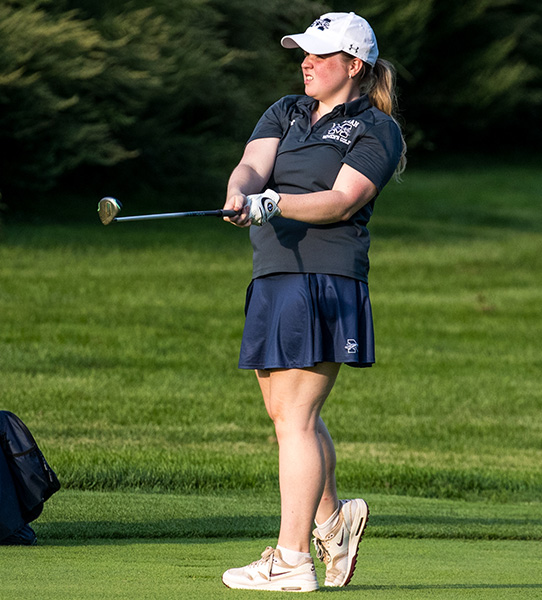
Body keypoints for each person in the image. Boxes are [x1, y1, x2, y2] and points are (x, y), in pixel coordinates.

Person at [220, 11, 406, 593]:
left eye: (320, 55)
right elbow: (253, 163)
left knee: (295, 419)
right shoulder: (287, 109)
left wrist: (272, 204)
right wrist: (240, 191)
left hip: (323, 277)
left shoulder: (376, 129)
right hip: (274, 274)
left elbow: (341, 201)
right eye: (304, 52)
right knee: (288, 417)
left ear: (354, 66)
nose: (306, 62)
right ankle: (333, 520)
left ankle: (293, 558)